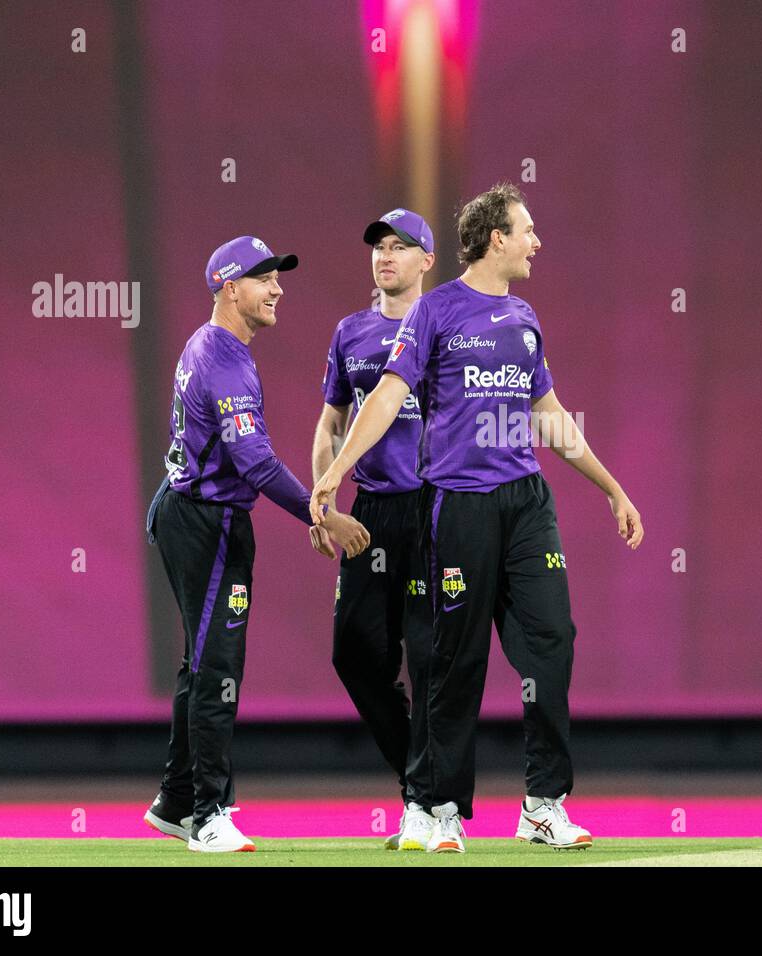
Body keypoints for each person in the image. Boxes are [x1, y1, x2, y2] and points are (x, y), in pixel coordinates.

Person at [310, 183, 644, 853]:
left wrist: (612, 487)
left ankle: (544, 803)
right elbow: (384, 397)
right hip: (457, 505)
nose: (536, 242)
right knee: (453, 662)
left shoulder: (525, 317)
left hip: (526, 502)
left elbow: (548, 414)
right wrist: (336, 469)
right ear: (496, 239)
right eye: (526, 231)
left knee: (553, 641)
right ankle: (435, 807)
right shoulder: (434, 313)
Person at [142, 235, 317, 853]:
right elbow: (255, 462)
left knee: (201, 660)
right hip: (208, 522)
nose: (277, 288)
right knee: (218, 666)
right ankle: (210, 814)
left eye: (277, 276)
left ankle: (177, 800)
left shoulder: (206, 343)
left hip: (184, 509)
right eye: (264, 277)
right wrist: (318, 514)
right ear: (228, 285)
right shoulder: (225, 358)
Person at [311, 209, 434, 849]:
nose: (384, 257)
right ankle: (424, 784)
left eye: (399, 247)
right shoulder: (350, 333)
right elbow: (328, 424)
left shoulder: (446, 329)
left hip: (435, 509)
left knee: (432, 656)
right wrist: (325, 501)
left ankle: (425, 801)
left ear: (427, 261)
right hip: (372, 514)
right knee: (354, 653)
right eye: (378, 248)